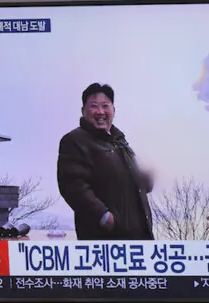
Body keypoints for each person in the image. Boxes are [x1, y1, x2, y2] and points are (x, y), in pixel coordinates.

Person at [57, 83, 155, 240]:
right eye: (94, 106)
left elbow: (143, 186)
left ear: (113, 110)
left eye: (105, 106)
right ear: (83, 111)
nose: (100, 112)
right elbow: (73, 186)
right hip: (105, 241)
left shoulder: (121, 142)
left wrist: (149, 175)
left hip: (139, 239)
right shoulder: (75, 141)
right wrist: (103, 217)